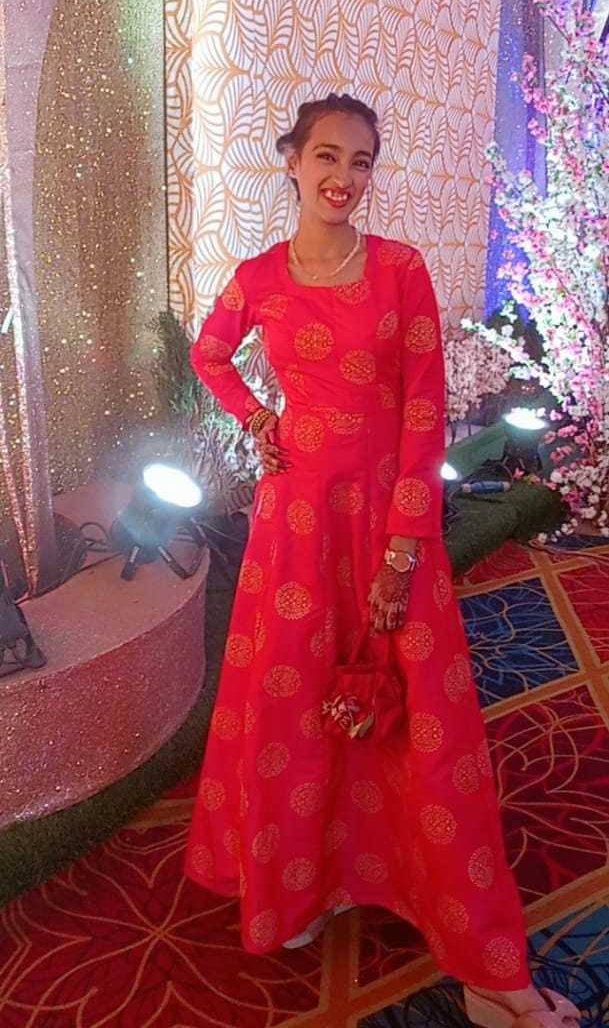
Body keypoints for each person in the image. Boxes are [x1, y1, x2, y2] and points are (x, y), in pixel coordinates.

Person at [185, 94, 579, 1028]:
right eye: (327, 155)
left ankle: (485, 967)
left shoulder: (400, 269)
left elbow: (422, 409)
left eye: (360, 161)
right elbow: (209, 355)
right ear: (291, 160)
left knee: (424, 722)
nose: (343, 177)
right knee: (293, 702)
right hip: (294, 526)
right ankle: (302, 882)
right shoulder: (257, 278)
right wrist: (259, 420)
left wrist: (404, 546)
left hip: (387, 523)